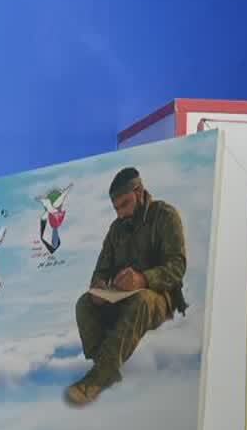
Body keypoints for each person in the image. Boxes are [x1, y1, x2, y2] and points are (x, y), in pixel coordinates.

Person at [67, 166, 188, 407]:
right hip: (120, 298)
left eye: (125, 204)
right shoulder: (116, 230)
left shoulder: (165, 216)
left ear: (139, 192)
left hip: (159, 297)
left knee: (141, 300)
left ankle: (98, 379)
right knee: (84, 304)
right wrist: (98, 288)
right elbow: (101, 270)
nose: (121, 213)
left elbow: (177, 266)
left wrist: (143, 279)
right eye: (116, 208)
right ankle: (104, 362)